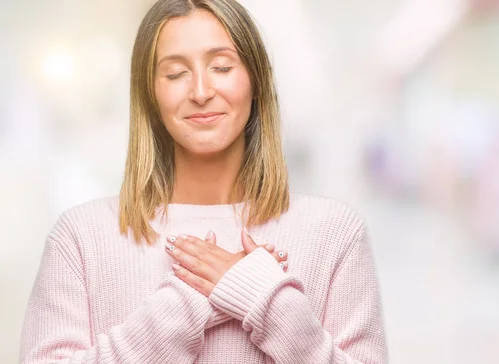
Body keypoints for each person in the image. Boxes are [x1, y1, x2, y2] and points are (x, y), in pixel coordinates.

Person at [19, 0, 389, 363]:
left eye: (222, 67)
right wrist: (185, 305)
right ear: (150, 95)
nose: (200, 91)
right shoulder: (80, 239)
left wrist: (267, 299)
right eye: (176, 73)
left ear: (256, 80)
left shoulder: (336, 233)